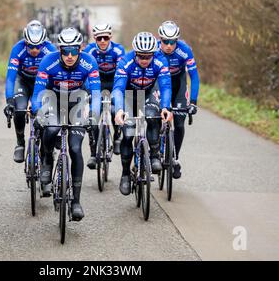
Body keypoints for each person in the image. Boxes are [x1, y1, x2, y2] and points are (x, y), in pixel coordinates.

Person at [31, 27, 101, 221]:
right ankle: (46, 160)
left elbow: (95, 93)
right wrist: (37, 111)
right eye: (65, 51)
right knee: (51, 128)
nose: (70, 56)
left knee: (76, 149)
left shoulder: (89, 62)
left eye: (74, 51)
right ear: (59, 49)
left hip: (77, 101)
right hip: (52, 99)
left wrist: (93, 115)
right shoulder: (48, 61)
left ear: (80, 49)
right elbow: (38, 91)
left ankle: (76, 201)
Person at [113, 32, 173, 196]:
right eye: (141, 56)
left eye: (148, 57)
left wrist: (165, 107)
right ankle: (125, 174)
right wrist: (119, 109)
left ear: (154, 54)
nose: (144, 60)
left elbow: (166, 86)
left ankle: (154, 155)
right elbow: (118, 89)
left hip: (149, 93)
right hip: (129, 95)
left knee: (153, 116)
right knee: (128, 132)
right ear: (135, 53)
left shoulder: (161, 62)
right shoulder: (126, 62)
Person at [4, 20, 57, 163]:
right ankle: (20, 143)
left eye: (38, 46)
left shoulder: (50, 49)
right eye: (31, 46)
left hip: (43, 83)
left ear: (44, 42)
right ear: (25, 42)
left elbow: (56, 74)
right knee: (19, 109)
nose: (34, 49)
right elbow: (10, 78)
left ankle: (44, 147)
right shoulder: (18, 49)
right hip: (23, 81)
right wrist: (9, 100)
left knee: (44, 111)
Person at [158, 21, 199, 179]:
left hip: (178, 84)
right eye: (165, 42)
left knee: (180, 123)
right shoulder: (153, 50)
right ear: (159, 39)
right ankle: (155, 149)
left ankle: (175, 158)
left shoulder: (185, 50)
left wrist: (193, 102)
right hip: (159, 84)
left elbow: (194, 77)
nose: (168, 45)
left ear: (177, 40)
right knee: (154, 116)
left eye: (172, 42)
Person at [83, 24, 126, 169]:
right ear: (94, 38)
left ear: (110, 37)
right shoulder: (89, 50)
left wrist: (118, 90)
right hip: (97, 84)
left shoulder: (118, 50)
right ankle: (93, 154)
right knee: (93, 116)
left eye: (105, 37)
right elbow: (87, 75)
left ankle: (117, 136)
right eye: (99, 38)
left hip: (114, 83)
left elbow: (121, 73)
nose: (102, 41)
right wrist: (89, 92)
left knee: (115, 110)